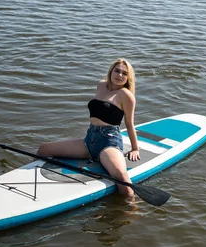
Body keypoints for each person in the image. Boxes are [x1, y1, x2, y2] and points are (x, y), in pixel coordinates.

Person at [37, 58, 140, 197]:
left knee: (122, 178)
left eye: (124, 73)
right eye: (117, 70)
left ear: (128, 78)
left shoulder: (126, 95)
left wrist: (135, 148)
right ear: (111, 71)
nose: (120, 75)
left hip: (109, 143)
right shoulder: (101, 85)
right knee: (43, 149)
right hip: (89, 140)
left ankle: (130, 210)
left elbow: (129, 123)